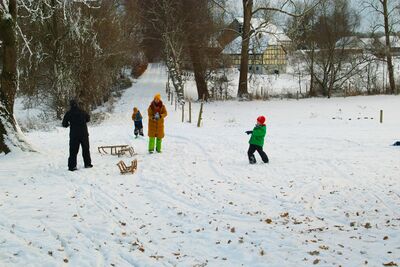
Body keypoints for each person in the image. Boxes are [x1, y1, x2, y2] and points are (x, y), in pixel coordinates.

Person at [62, 99, 93, 171]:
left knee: (73, 151)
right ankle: (87, 164)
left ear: (70, 105)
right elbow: (88, 119)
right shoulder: (83, 112)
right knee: (86, 149)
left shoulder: (68, 113)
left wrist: (69, 124)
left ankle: (72, 166)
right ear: (77, 104)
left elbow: (64, 124)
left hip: (74, 135)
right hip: (84, 134)